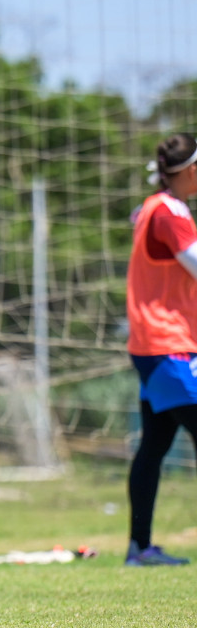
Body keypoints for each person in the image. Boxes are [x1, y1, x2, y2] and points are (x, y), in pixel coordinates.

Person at [124, 132, 197, 567]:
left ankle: (139, 547)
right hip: (167, 346)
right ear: (190, 170)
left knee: (154, 445)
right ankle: (139, 547)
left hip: (156, 345)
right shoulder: (169, 214)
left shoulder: (156, 207)